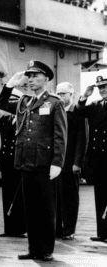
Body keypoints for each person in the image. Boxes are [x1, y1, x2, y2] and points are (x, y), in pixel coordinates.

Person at [0, 60, 67, 262]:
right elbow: (1, 104)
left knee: (46, 208)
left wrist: (57, 163)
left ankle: (46, 250)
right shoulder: (23, 101)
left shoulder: (54, 102)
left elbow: (60, 135)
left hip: (45, 164)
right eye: (30, 76)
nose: (31, 79)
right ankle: (33, 248)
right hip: (26, 161)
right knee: (31, 209)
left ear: (46, 78)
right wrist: (9, 85)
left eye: (36, 76)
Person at [0, 89, 27, 238]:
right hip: (7, 163)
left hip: (20, 162)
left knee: (20, 197)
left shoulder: (27, 119)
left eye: (15, 101)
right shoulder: (6, 119)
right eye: (9, 101)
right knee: (7, 196)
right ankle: (9, 229)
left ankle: (21, 228)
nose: (11, 104)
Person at [74, 75, 107, 242]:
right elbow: (78, 111)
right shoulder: (95, 105)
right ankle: (102, 233)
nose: (102, 91)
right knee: (100, 196)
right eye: (100, 88)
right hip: (99, 159)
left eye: (105, 87)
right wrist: (85, 96)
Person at [55, 82, 86, 240]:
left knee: (70, 199)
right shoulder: (55, 111)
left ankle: (69, 230)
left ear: (71, 95)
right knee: (56, 198)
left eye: (63, 94)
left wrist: (77, 163)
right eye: (58, 93)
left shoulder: (78, 113)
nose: (60, 96)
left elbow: (82, 139)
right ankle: (57, 229)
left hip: (70, 163)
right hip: (55, 163)